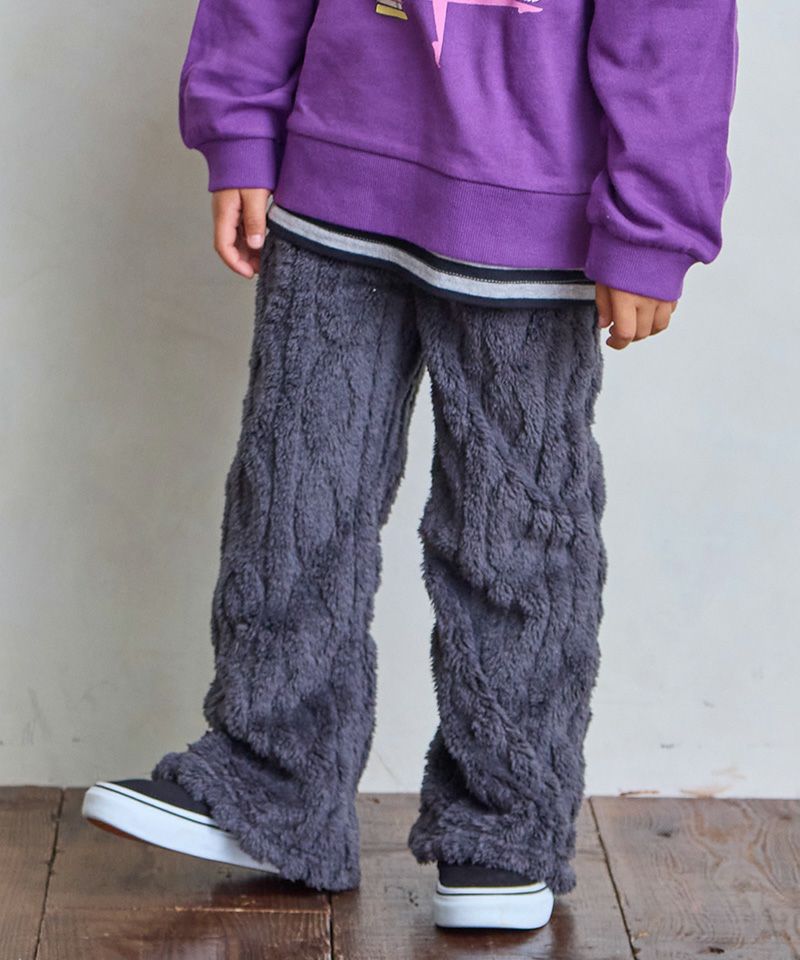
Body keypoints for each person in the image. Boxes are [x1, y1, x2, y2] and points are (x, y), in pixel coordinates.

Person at [81, 0, 739, 931]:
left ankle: (505, 825)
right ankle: (270, 783)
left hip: (533, 209)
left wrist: (653, 221)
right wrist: (241, 126)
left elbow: (677, 24)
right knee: (292, 495)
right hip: (332, 177)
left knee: (512, 533)